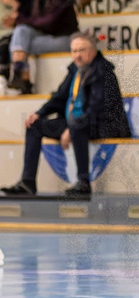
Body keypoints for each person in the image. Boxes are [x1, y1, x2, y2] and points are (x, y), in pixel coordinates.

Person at [0, 31, 131, 198]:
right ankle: (27, 182)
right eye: (74, 51)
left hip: (103, 124)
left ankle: (83, 182)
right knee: (34, 126)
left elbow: (97, 109)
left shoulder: (104, 72)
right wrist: (39, 114)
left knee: (77, 126)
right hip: (76, 123)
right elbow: (59, 98)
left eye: (81, 50)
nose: (77, 55)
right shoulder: (75, 70)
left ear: (92, 51)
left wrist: (72, 127)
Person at [6, 0, 79, 94]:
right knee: (21, 32)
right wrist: (20, 19)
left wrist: (19, 19)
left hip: (66, 39)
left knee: (18, 44)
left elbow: (48, 22)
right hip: (48, 37)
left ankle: (22, 77)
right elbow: (35, 22)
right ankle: (22, 78)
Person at [0, 0, 32, 82]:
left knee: (9, 43)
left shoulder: (25, 0)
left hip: (14, 37)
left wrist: (15, 6)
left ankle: (10, 77)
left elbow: (30, 21)